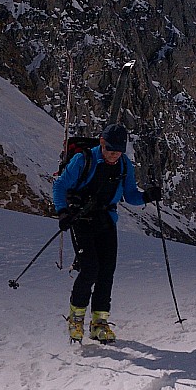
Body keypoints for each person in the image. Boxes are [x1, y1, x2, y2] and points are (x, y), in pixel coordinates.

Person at [53, 123, 161, 343]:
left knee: (107, 272)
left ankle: (99, 323)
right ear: (102, 143)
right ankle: (76, 318)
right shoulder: (83, 160)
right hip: (81, 219)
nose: (114, 156)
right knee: (90, 268)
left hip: (106, 220)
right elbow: (60, 186)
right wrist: (62, 212)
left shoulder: (124, 165)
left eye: (118, 152)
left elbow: (130, 195)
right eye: (110, 151)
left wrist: (148, 196)